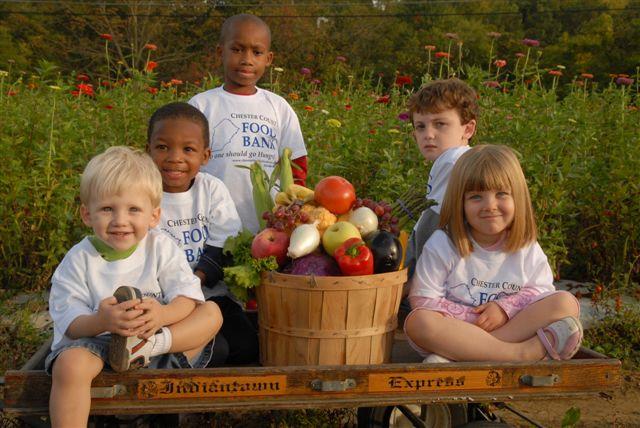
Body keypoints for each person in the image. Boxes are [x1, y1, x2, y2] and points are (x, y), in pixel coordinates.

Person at [47, 146, 222, 427]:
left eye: (133, 210)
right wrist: (100, 320)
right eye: (107, 209)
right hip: (97, 346)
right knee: (69, 367)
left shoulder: (160, 247)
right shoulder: (79, 259)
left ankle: (146, 346)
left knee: (212, 312)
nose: (120, 221)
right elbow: (69, 322)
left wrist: (162, 316)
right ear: (86, 214)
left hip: (156, 345)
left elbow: (187, 297)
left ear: (153, 216)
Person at [404, 145, 582, 363]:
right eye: (476, 197)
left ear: (517, 198)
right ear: (459, 202)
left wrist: (503, 309)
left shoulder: (525, 246)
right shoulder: (443, 244)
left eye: (501, 194)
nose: (490, 206)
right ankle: (523, 354)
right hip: (457, 331)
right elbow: (423, 298)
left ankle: (465, 356)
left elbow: (541, 290)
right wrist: (472, 319)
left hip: (508, 327)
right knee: (419, 321)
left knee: (565, 303)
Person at [147, 102, 259, 364]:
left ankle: (225, 397)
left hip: (210, 293)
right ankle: (183, 395)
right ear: (147, 150)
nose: (175, 157)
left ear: (206, 156)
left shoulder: (211, 190)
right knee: (214, 351)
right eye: (163, 147)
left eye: (188, 149)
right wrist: (180, 299)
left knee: (247, 345)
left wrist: (195, 283)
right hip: (163, 303)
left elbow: (223, 245)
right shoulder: (142, 193)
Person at [189, 13, 308, 234]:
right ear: (220, 52)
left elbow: (297, 167)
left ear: (269, 59)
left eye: (257, 52)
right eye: (237, 49)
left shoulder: (279, 107)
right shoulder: (201, 105)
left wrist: (292, 214)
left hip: (270, 227)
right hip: (212, 226)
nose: (247, 59)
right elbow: (186, 164)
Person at [403, 78, 478, 278]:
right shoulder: (462, 159)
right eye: (420, 126)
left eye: (440, 124)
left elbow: (433, 223)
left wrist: (410, 278)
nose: (428, 134)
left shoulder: (453, 162)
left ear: (468, 129)